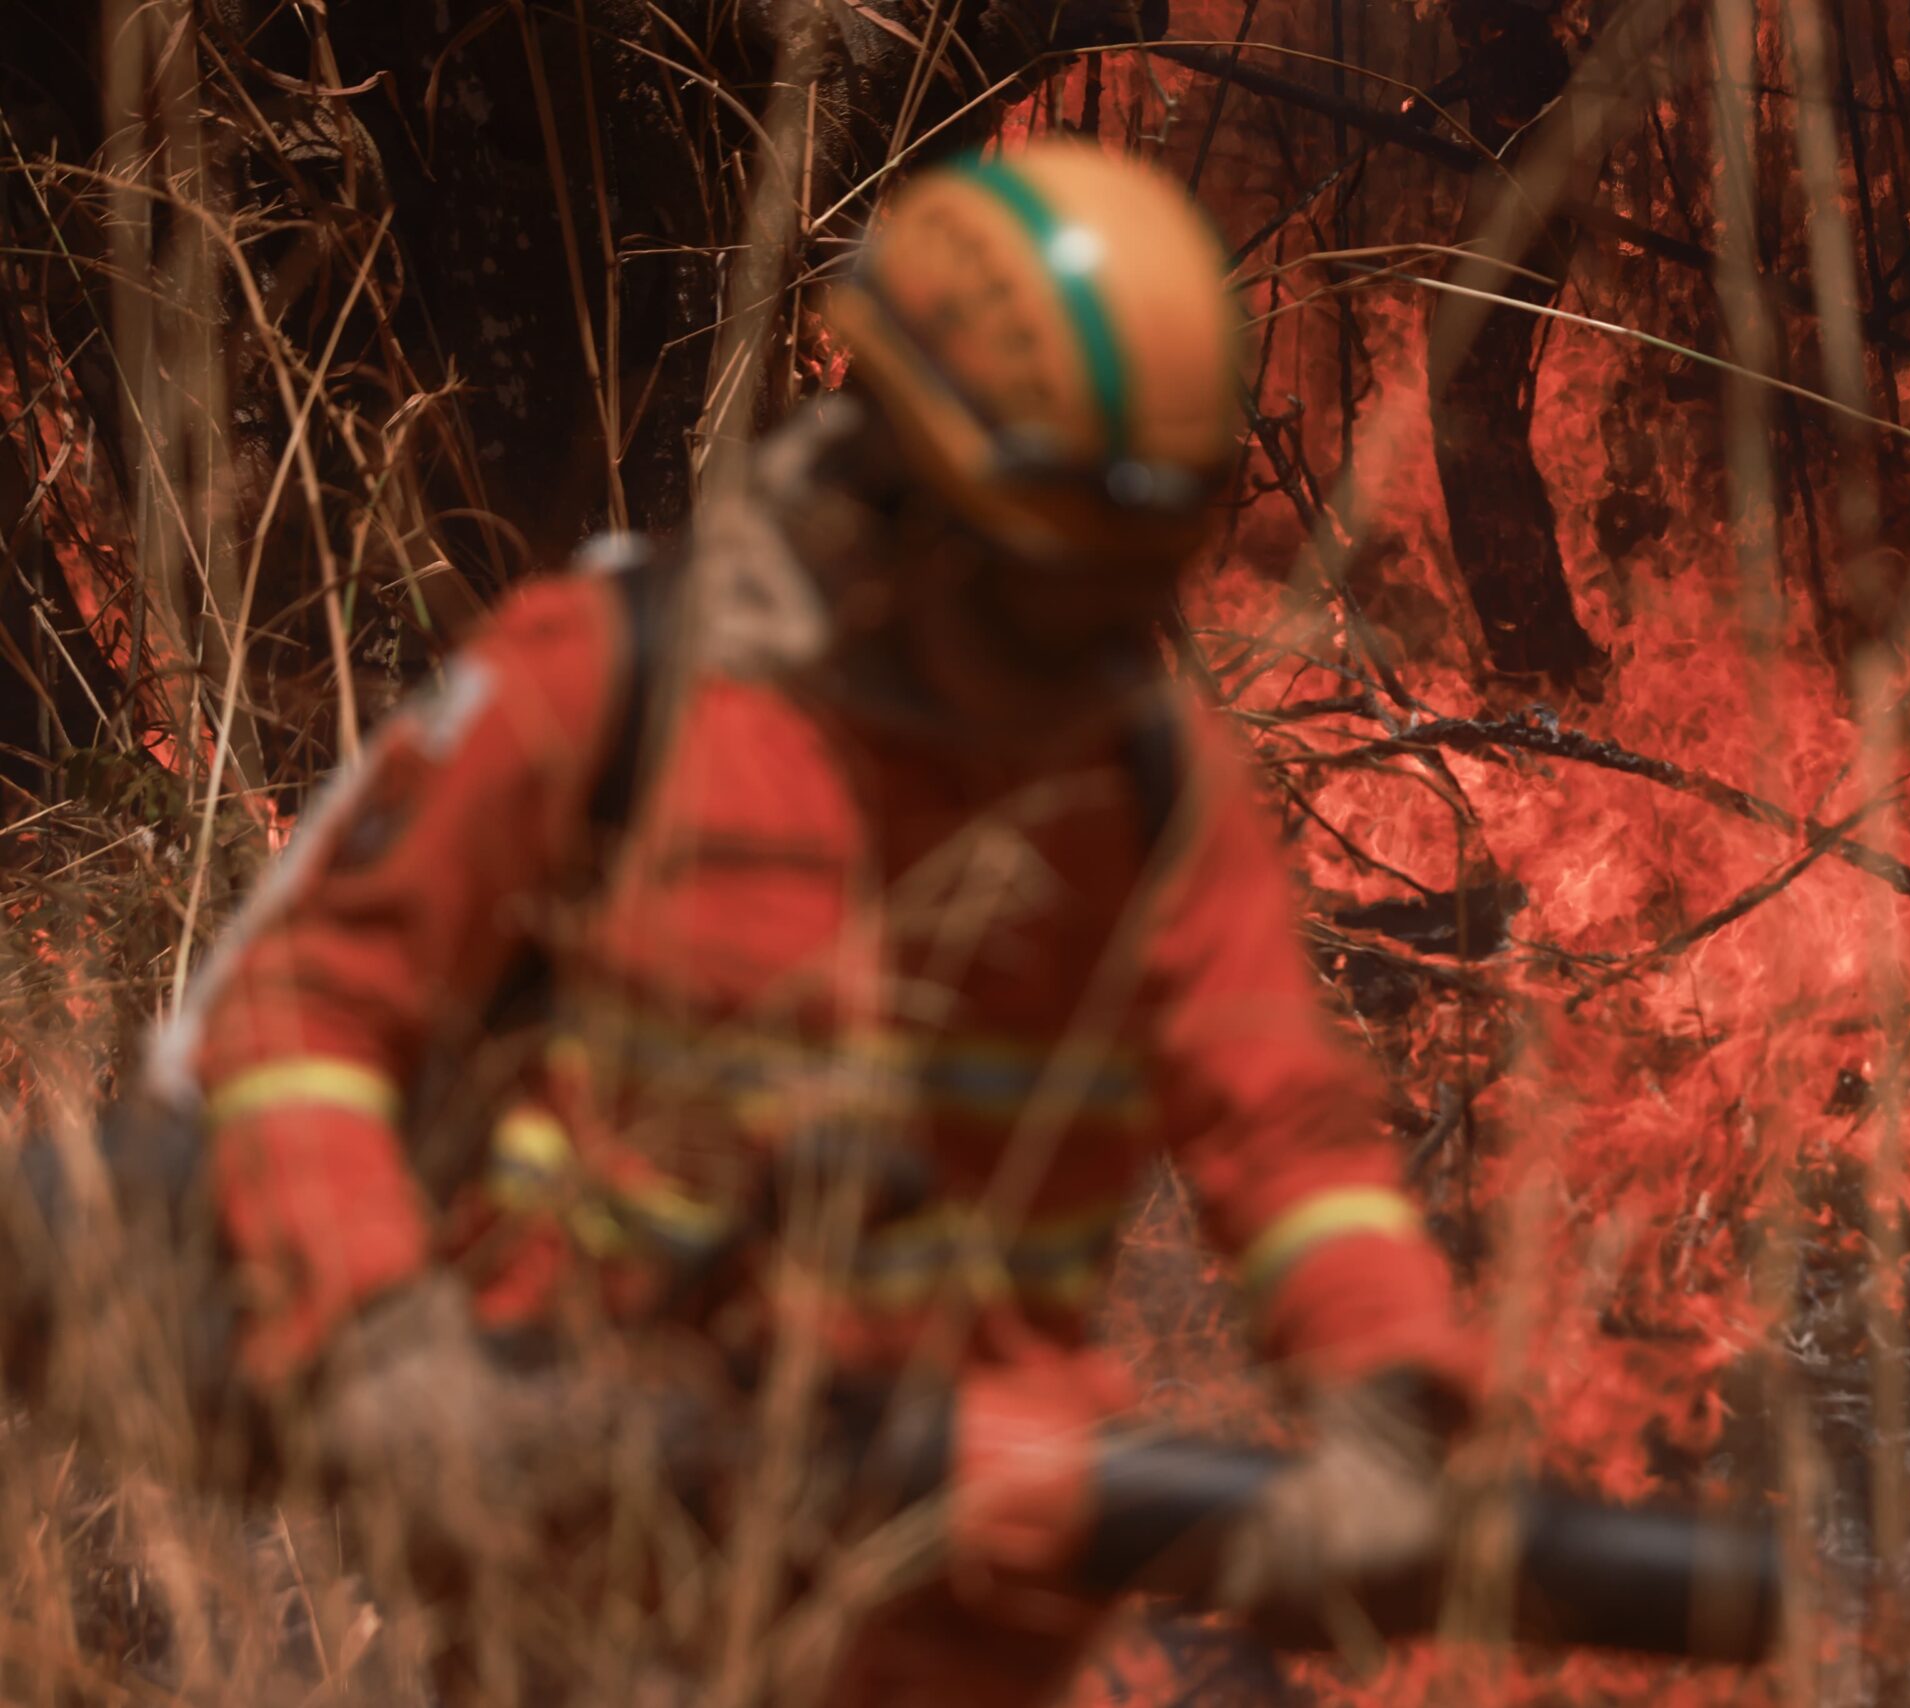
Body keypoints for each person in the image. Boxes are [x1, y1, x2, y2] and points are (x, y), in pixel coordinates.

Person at [152, 140, 1478, 1702]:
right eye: (1057, 587)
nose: (1097, 649)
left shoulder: (1138, 772)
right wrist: (378, 1333)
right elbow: (301, 1018)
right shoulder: (610, 685)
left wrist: (1387, 1403)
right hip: (586, 1573)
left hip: (959, 1606)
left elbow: (1290, 1132)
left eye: (1142, 582)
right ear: (895, 488)